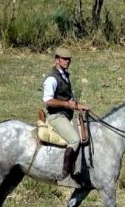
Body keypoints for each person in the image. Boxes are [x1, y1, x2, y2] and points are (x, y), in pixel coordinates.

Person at [42, 47, 89, 179]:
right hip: (56, 116)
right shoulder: (52, 79)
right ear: (57, 60)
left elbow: (69, 99)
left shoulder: (65, 76)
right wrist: (66, 104)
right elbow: (48, 100)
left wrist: (80, 106)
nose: (67, 61)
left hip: (67, 115)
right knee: (75, 139)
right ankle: (65, 174)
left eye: (69, 59)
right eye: (64, 59)